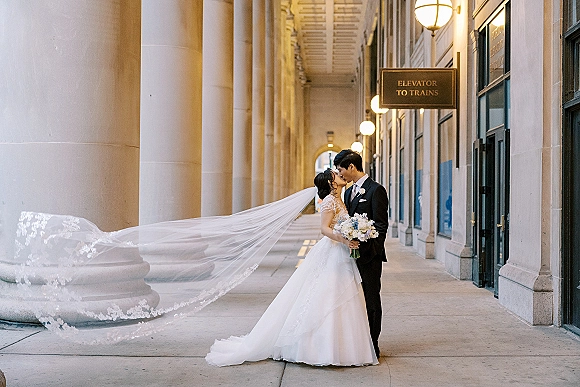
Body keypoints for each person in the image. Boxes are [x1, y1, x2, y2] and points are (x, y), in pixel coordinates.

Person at [205, 169, 378, 366]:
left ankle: (343, 348)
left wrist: (352, 234)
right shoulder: (330, 201)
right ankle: (319, 348)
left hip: (340, 252)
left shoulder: (339, 198)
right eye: (335, 174)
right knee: (326, 294)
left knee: (340, 295)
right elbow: (324, 229)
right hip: (333, 250)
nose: (339, 174)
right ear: (331, 183)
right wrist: (344, 240)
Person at [334, 149, 389, 358]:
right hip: (350, 255)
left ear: (351, 167)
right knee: (354, 300)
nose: (340, 174)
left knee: (371, 299)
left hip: (370, 256)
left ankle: (373, 343)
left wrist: (367, 248)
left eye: (341, 170)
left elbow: (381, 226)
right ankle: (357, 341)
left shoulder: (376, 190)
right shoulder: (348, 192)